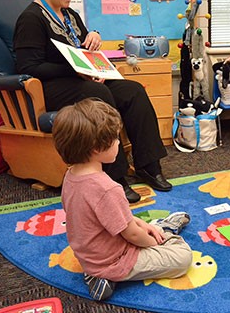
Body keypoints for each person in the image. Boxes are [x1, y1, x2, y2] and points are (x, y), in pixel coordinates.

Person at [14, 0, 171, 203]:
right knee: (100, 94)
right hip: (52, 87)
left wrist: (94, 41)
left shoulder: (71, 16)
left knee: (132, 91)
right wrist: (74, 70)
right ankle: (115, 175)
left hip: (82, 80)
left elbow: (84, 50)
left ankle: (148, 165)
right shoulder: (31, 19)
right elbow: (28, 66)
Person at [52, 98, 192, 301]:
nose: (119, 143)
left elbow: (110, 218)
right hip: (117, 259)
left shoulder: (71, 176)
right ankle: (165, 230)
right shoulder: (107, 189)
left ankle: (101, 273)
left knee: (139, 226)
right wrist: (155, 243)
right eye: (116, 138)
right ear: (96, 148)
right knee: (182, 256)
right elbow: (133, 236)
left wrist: (141, 224)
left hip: (89, 258)